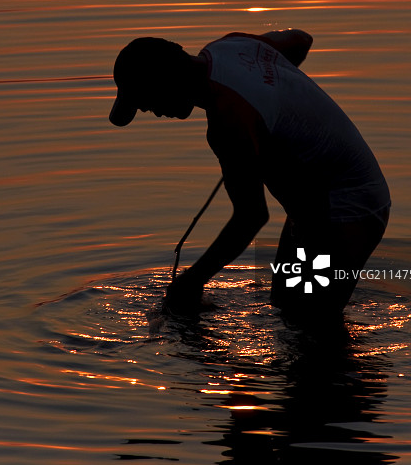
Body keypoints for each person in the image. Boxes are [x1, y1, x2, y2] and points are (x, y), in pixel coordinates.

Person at [109, 30, 391, 319]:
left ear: (166, 82)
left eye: (147, 101)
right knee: (285, 306)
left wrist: (191, 281)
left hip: (349, 207)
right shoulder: (230, 46)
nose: (150, 112)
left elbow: (251, 217)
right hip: (313, 208)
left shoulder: (229, 121)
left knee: (311, 322)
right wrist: (274, 94)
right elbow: (299, 40)